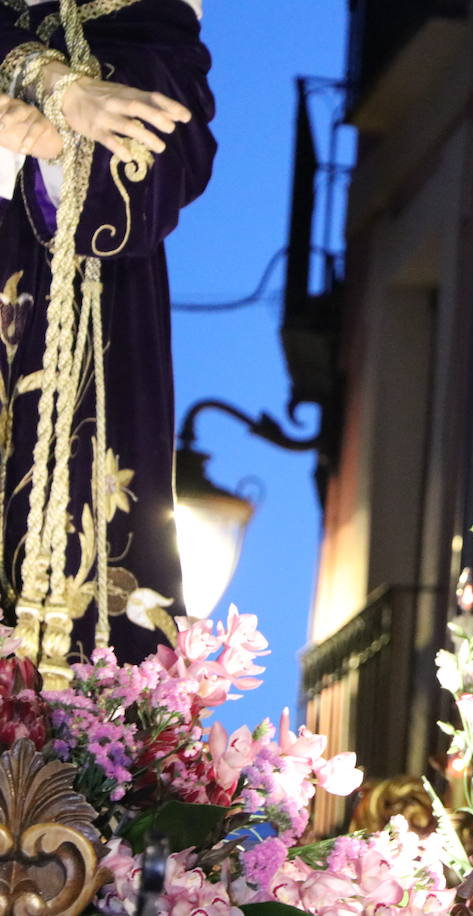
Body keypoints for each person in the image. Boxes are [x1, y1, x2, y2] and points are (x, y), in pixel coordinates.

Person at [0, 0, 213, 669]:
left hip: (51, 298)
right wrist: (55, 85)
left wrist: (62, 134)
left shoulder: (136, 16)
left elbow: (169, 142)